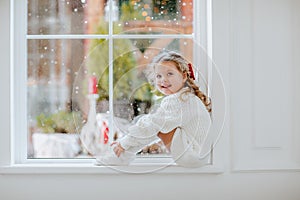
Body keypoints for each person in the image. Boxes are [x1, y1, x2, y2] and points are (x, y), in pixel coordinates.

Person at [96, 50, 212, 168]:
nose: (163, 80)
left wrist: (124, 143)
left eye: (170, 74)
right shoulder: (186, 96)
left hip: (191, 156)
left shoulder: (179, 100)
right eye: (159, 76)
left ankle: (121, 155)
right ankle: (122, 154)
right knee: (150, 122)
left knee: (151, 123)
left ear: (184, 76)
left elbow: (153, 125)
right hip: (198, 157)